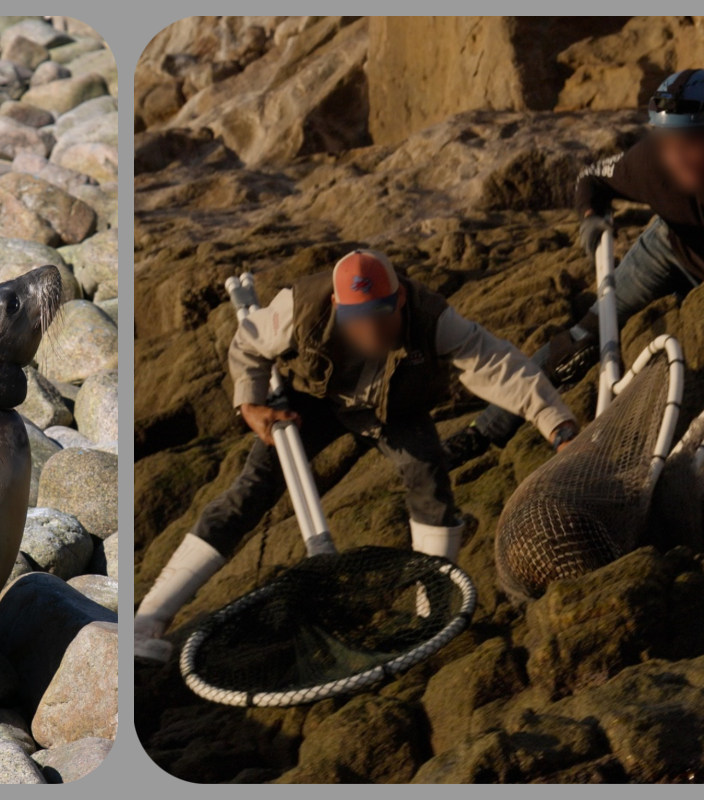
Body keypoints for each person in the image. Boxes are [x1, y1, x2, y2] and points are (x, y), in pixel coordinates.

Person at [134, 249, 579, 662]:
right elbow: (248, 342)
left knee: (430, 481)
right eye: (355, 319)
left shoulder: (433, 318)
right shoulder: (299, 307)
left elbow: (500, 366)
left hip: (393, 407)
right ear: (336, 304)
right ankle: (150, 618)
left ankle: (430, 621)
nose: (368, 331)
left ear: (400, 298)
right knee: (250, 490)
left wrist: (557, 424)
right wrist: (249, 403)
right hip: (312, 400)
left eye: (379, 317)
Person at [445, 68, 704, 466]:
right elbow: (590, 178)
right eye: (667, 142)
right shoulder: (649, 162)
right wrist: (591, 216)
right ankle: (483, 431)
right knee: (582, 340)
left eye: (689, 143)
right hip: (668, 251)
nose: (677, 157)